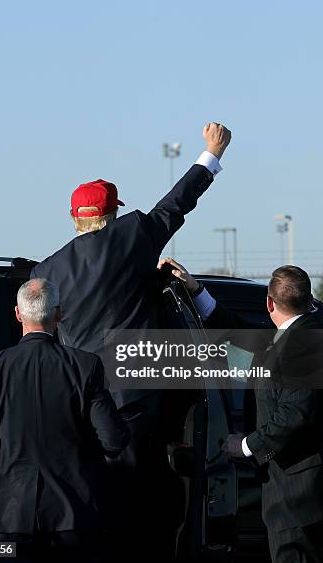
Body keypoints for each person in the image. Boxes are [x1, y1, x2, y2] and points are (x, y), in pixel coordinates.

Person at [29, 122, 231, 560]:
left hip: (76, 406)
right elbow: (176, 205)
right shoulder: (131, 236)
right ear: (113, 215)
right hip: (135, 399)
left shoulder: (46, 271)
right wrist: (211, 154)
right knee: (142, 506)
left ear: (74, 218)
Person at [158, 258, 323, 563]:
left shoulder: (302, 344)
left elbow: (295, 413)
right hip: (304, 491)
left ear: (270, 304)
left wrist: (246, 445)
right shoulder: (301, 334)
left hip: (300, 495)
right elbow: (239, 333)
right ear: (309, 300)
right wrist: (196, 291)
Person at [0, 278, 129, 562]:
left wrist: (3, 463)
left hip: (8, 515)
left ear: (17, 313)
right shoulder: (86, 366)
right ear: (59, 314)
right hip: (73, 514)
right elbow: (113, 440)